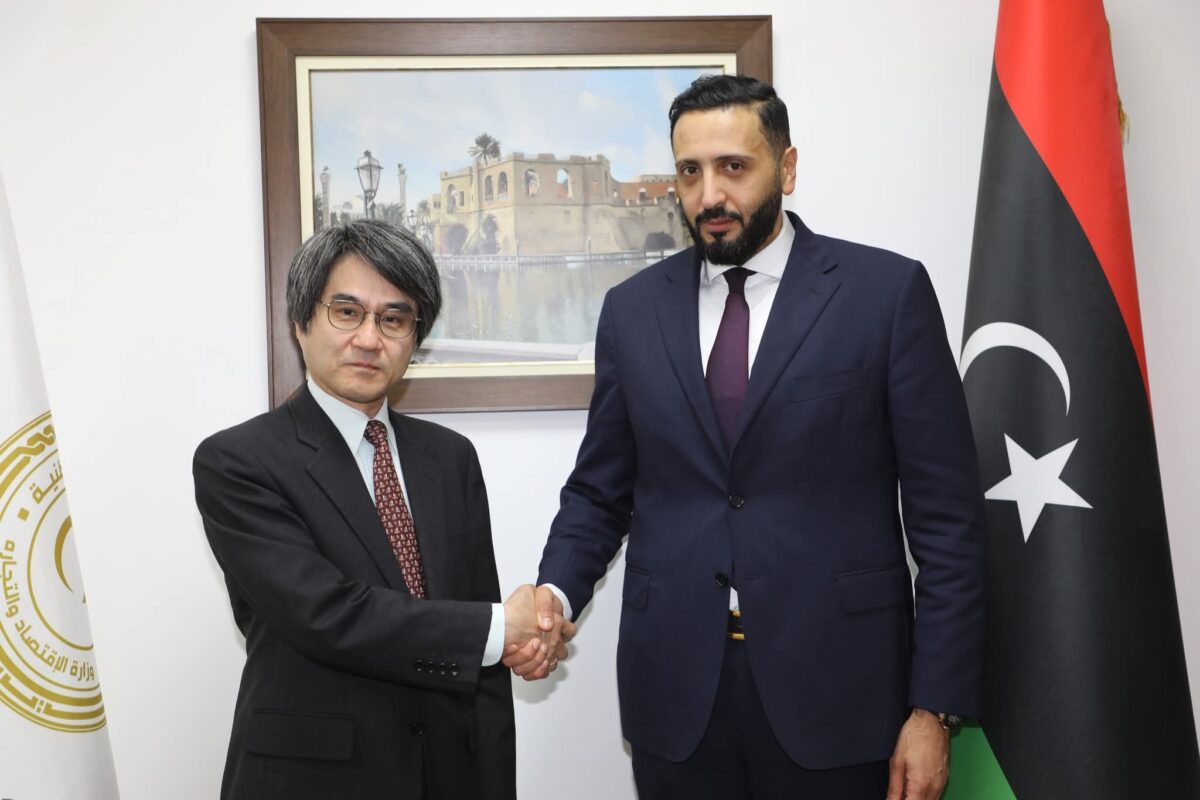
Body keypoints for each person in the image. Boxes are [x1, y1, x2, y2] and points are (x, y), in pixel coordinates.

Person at [526, 74, 986, 799]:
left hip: (843, 695)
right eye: (689, 171)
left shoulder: (885, 295)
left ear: (787, 167)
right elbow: (599, 493)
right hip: (675, 694)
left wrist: (935, 707)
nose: (709, 195)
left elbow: (949, 521)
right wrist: (553, 594)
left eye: (733, 167)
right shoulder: (631, 312)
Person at [194, 220, 568, 799]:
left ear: (415, 338)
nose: (370, 339)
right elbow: (328, 616)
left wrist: (513, 642)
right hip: (312, 781)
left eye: (394, 319)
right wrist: (501, 629)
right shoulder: (238, 461)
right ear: (300, 321)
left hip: (448, 774)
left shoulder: (451, 457)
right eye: (347, 312)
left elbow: (482, 658)